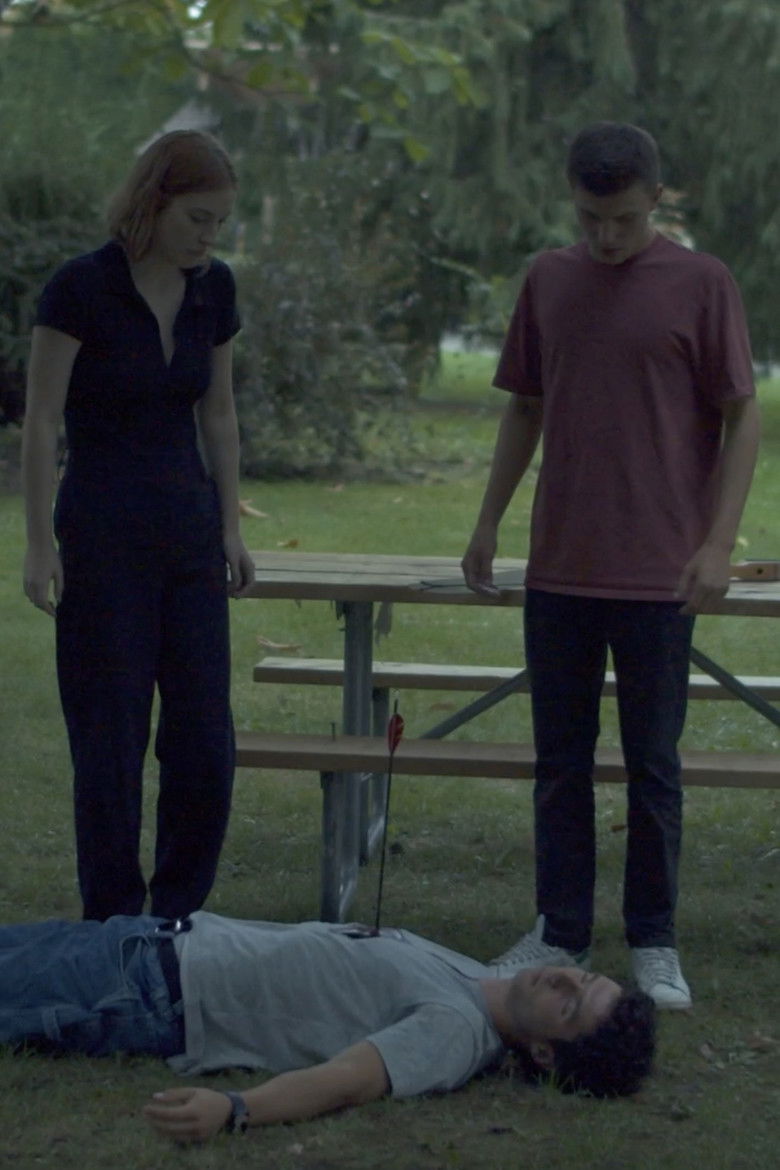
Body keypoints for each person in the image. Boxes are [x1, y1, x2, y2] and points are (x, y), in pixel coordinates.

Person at [462, 122, 759, 1010]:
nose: (606, 236)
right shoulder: (548, 279)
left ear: (656, 200)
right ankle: (559, 928)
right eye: (590, 218)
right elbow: (524, 406)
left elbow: (743, 416)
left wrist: (717, 544)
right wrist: (487, 522)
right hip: (560, 567)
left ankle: (654, 940)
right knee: (560, 763)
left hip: (660, 573)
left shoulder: (701, 283)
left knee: (652, 767)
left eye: (624, 219)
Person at [21, 130, 255, 922]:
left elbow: (218, 413)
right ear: (153, 203)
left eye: (219, 223)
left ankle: (177, 911)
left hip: (189, 532)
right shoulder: (80, 288)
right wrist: (38, 545)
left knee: (204, 739)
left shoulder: (214, 290)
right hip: (101, 534)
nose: (208, 237)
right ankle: (114, 919)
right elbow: (41, 422)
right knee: (109, 739)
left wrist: (230, 527)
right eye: (197, 218)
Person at [0, 910, 656, 1141]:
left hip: (142, 992)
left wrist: (235, 1109)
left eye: (570, 1006)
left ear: (545, 1054)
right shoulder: (484, 981)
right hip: (149, 940)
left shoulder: (455, 1032)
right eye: (585, 978)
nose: (564, 979)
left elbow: (349, 1079)